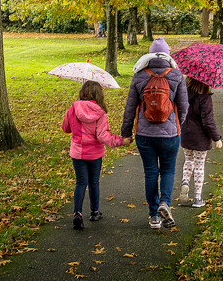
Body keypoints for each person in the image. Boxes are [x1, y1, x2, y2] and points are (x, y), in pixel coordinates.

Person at [120, 37, 188, 229]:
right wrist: (178, 126)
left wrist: (126, 132)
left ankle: (153, 216)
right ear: (167, 54)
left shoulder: (140, 75)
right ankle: (165, 203)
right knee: (168, 170)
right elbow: (184, 107)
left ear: (149, 54)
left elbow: (130, 108)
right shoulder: (176, 75)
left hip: (145, 135)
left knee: (150, 172)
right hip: (170, 135)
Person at [61, 80, 125, 230]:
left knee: (81, 182)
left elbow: (65, 128)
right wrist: (121, 141)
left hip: (77, 152)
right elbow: (103, 136)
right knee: (94, 182)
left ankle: (77, 213)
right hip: (95, 154)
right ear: (99, 95)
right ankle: (94, 212)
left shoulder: (73, 109)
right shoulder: (100, 113)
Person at [179, 77, 222, 208]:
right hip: (200, 137)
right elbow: (208, 122)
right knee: (199, 166)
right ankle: (197, 197)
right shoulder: (204, 97)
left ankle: (185, 182)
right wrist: (217, 138)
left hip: (186, 133)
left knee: (188, 160)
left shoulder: (183, 93)